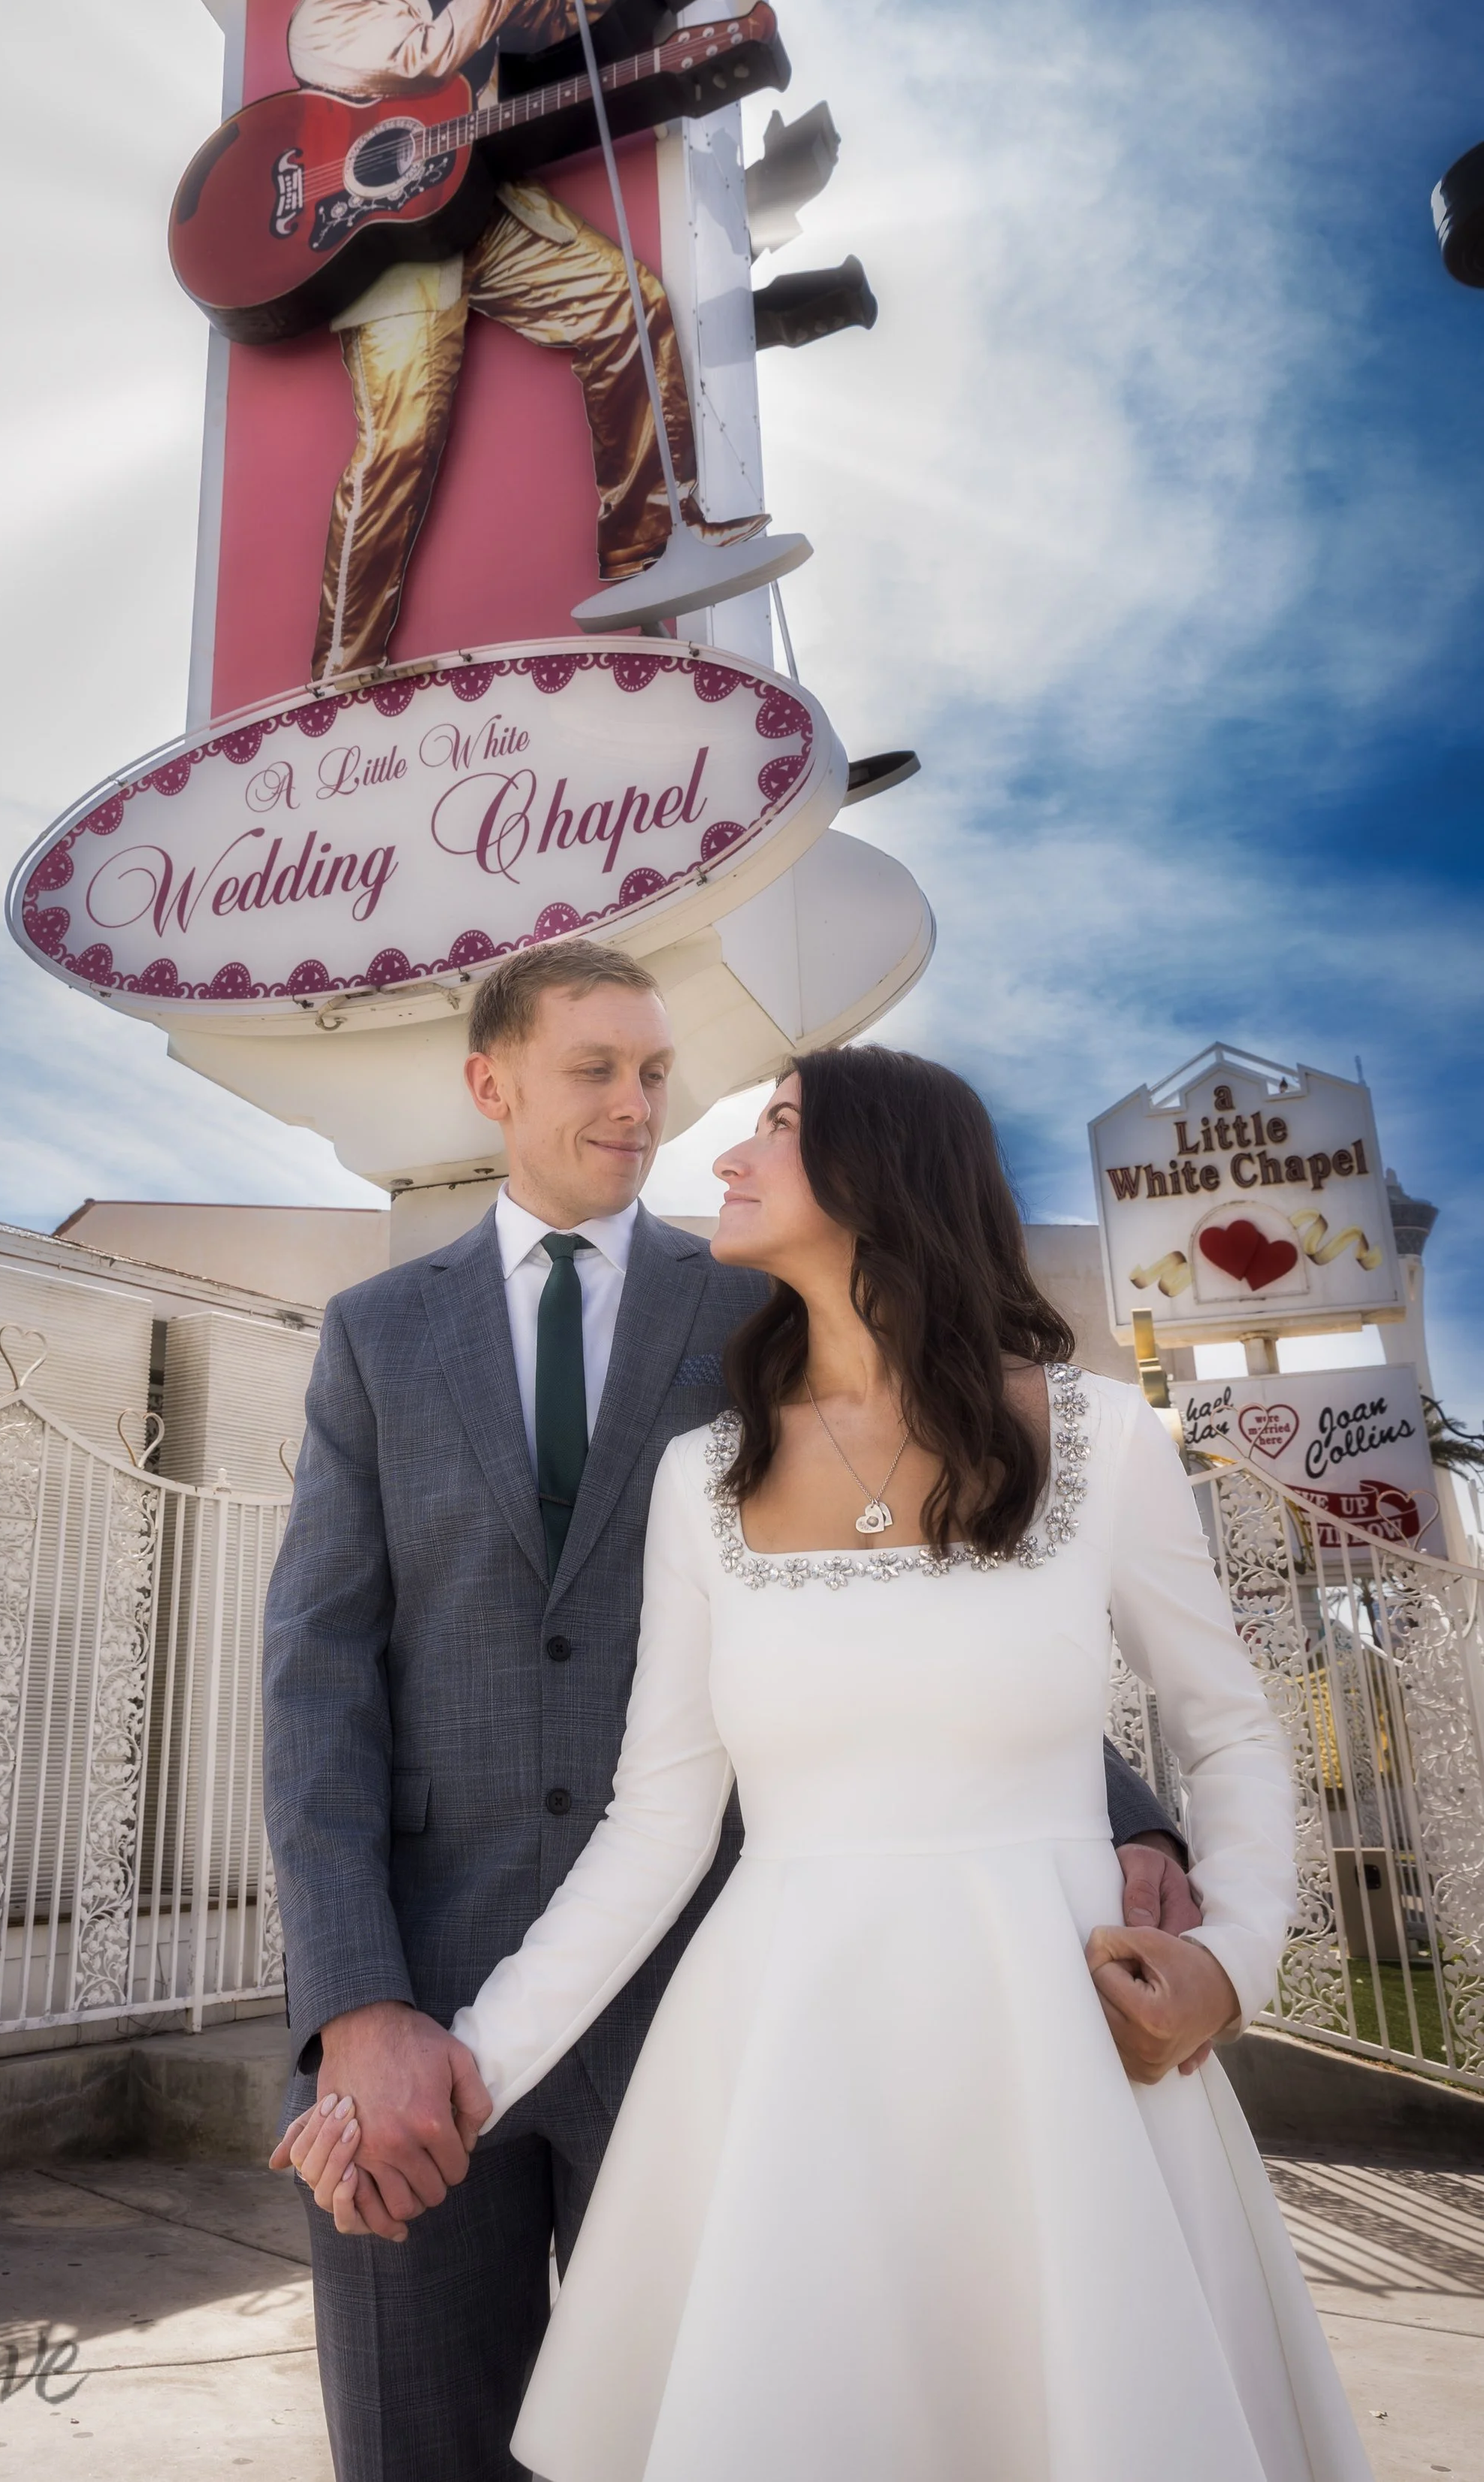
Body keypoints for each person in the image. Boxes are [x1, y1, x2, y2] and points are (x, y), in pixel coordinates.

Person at [288, 1042, 1374, 2482]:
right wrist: (454, 2069)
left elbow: (1231, 1727)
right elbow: (656, 1827)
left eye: (777, 1129)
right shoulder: (705, 1477)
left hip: (1065, 2066)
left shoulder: (1103, 1435)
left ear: (885, 1171)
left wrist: (1232, 1961)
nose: (724, 1160)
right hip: (780, 2066)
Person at [286, 0, 769, 679]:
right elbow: (427, 57)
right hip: (380, 234)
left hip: (474, 197)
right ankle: (340, 668)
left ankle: (651, 547)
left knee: (629, 301)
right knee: (399, 440)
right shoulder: (334, 2)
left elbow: (553, 17)